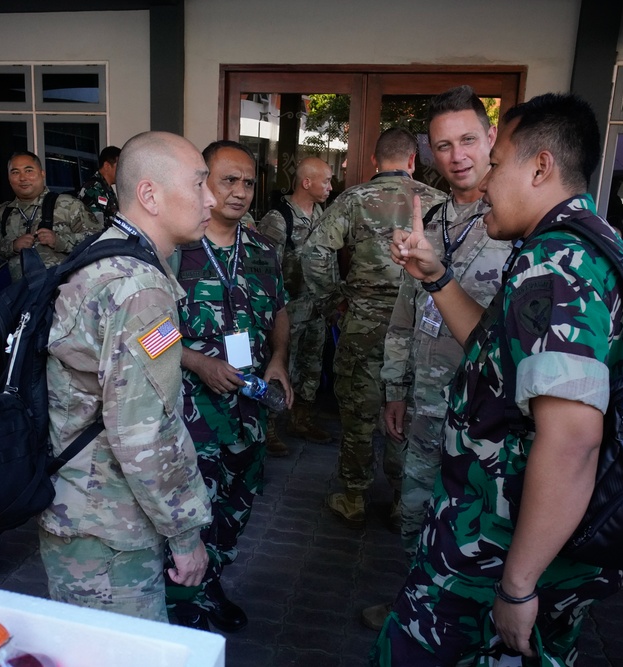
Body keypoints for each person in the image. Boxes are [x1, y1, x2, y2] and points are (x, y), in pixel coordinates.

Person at [375, 93, 623, 664]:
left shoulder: (558, 267)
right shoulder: (570, 245)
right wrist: (438, 277)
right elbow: (492, 350)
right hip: (488, 530)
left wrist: (518, 584)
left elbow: (571, 442)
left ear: (540, 166)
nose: (484, 177)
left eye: (496, 160)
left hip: (493, 545)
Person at [38, 131, 214, 623]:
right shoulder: (138, 289)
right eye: (200, 184)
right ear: (150, 195)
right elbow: (141, 430)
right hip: (107, 528)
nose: (212, 199)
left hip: (78, 508)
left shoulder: (104, 252)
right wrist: (185, 535)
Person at [364, 85, 511, 630]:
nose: (458, 156)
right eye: (443, 145)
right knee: (414, 516)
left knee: (476, 527)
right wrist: (395, 389)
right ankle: (416, 610)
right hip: (425, 404)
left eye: (468, 140)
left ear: (491, 137)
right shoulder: (432, 216)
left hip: (486, 415)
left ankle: (465, 628)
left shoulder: (515, 220)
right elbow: (407, 309)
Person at [166, 140, 292, 632]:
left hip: (247, 411)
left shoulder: (261, 248)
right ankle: (182, 604)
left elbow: (279, 311)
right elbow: (145, 334)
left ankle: (209, 583)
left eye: (247, 182)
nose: (239, 192)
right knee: (188, 512)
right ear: (204, 183)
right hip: (188, 415)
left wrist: (279, 358)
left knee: (235, 505)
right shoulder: (176, 250)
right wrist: (196, 361)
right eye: (228, 181)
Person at [301, 128, 445, 529]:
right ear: (413, 161)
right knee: (406, 413)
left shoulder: (353, 199)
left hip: (362, 321)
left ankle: (353, 497)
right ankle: (403, 500)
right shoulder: (437, 202)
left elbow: (314, 252)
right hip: (416, 329)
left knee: (358, 413)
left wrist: (334, 302)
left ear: (374, 162)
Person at [257, 157, 335, 456]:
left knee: (311, 368)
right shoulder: (279, 219)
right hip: (288, 313)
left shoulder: (322, 214)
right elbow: (265, 270)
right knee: (281, 369)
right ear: (307, 183)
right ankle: (270, 428)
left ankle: (300, 420)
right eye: (326, 180)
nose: (330, 186)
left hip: (316, 309)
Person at [0, 151, 101, 279]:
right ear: (9, 178)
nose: (22, 178)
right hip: (16, 294)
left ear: (42, 174)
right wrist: (12, 246)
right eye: (15, 172)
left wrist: (59, 241)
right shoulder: (1, 213)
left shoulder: (68, 205)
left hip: (62, 292)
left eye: (29, 170)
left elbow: (97, 241)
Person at [78, 145, 121, 228]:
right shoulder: (94, 188)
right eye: (119, 167)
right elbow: (95, 227)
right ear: (107, 166)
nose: (122, 171)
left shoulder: (105, 188)